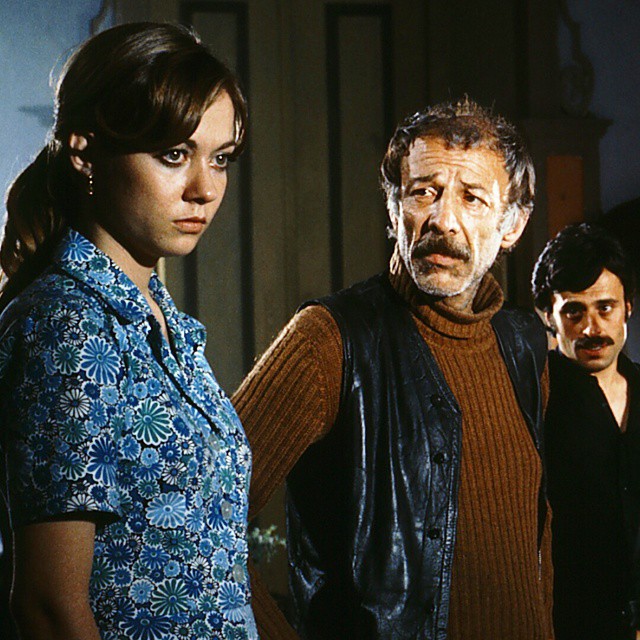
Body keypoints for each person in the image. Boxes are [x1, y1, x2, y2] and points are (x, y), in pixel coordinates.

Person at [234, 98, 553, 639]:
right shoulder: (329, 338)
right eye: (423, 192)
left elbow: (537, 549)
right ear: (392, 208)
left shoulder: (525, 345)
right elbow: (196, 517)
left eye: (472, 198)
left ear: (513, 224)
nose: (442, 220)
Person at [0, 22, 258, 639]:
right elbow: (49, 608)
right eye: (174, 155)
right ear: (84, 152)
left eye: (220, 159)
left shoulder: (162, 325)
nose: (204, 189)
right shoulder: (68, 327)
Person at [532, 222, 640, 640]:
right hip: (569, 624)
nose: (592, 328)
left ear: (628, 307)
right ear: (548, 316)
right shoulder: (533, 401)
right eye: (574, 312)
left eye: (605, 308)